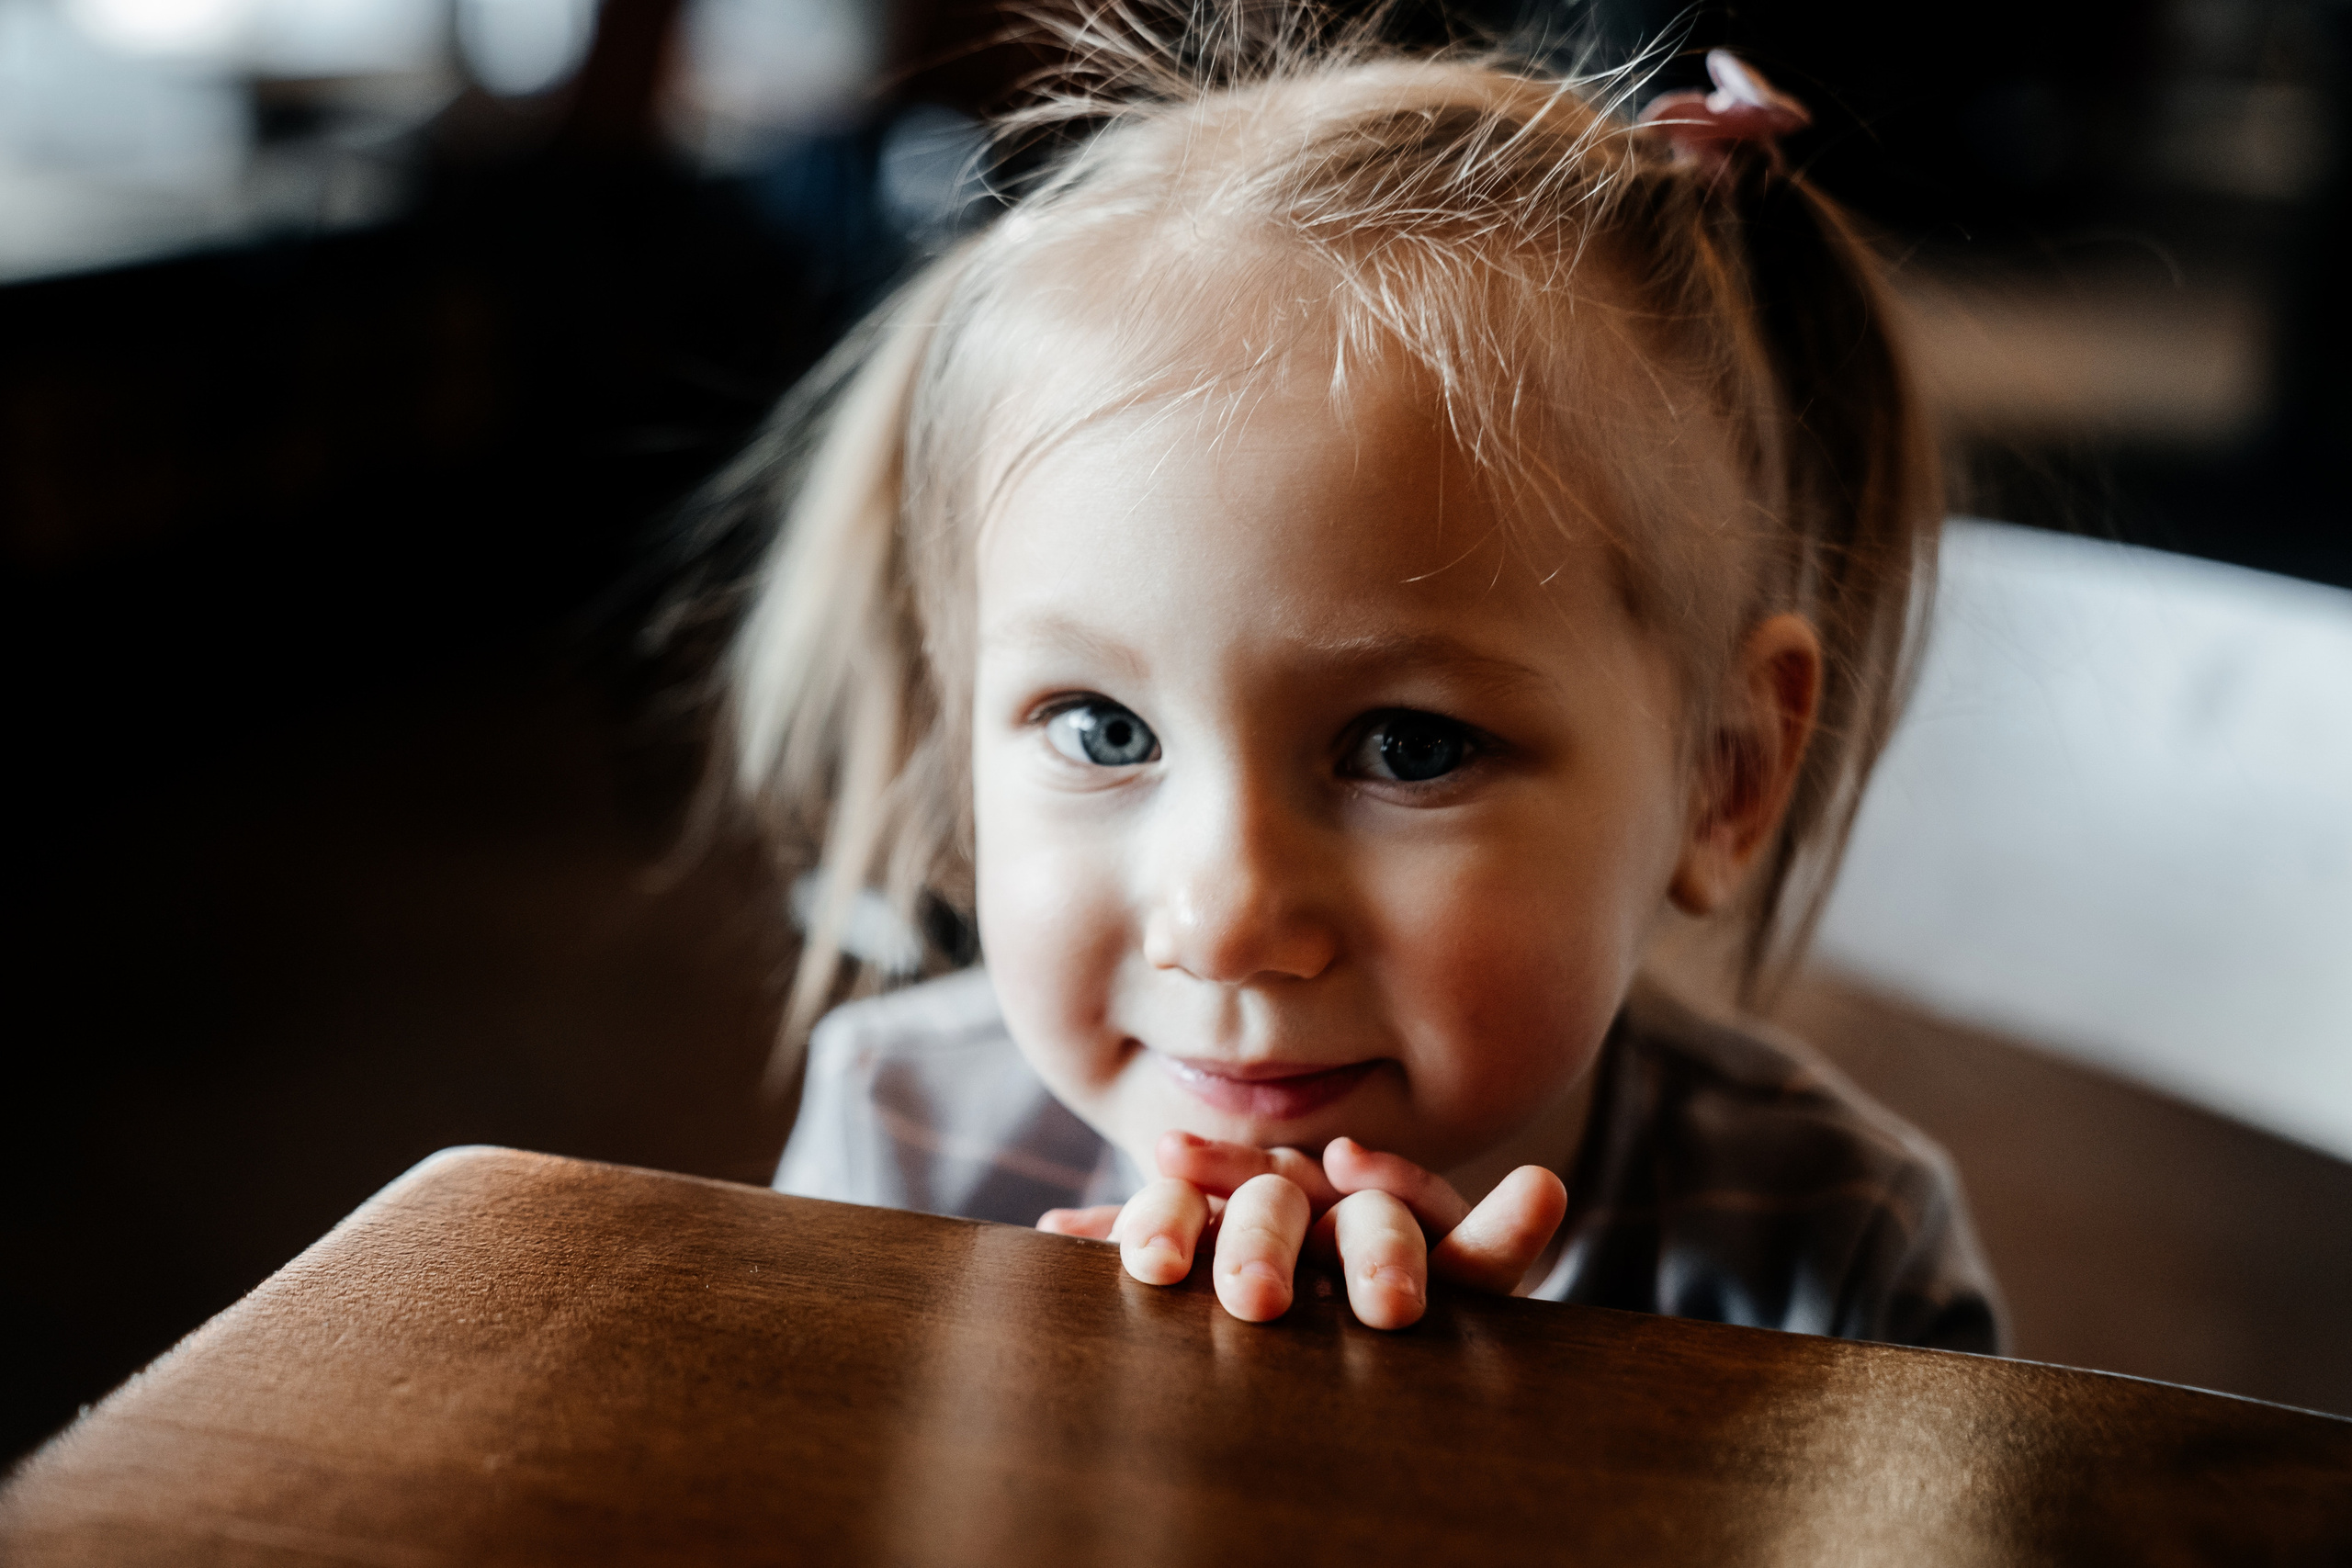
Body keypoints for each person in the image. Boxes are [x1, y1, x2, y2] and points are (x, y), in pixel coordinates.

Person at [707, 15, 2003, 1352]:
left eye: (1407, 748)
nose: (1222, 921)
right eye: (1104, 730)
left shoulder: (1837, 1254)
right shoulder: (900, 1137)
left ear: (1722, 778)